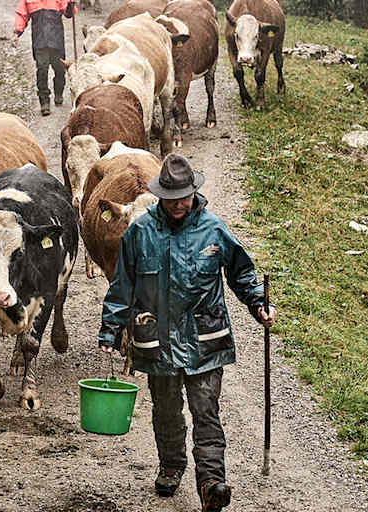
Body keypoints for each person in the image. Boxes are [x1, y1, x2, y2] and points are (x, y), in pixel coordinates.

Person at [97, 154, 275, 511]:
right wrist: (110, 329)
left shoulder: (213, 229)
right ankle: (172, 465)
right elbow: (123, 285)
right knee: (165, 410)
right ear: (161, 195)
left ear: (194, 193)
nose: (179, 205)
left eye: (184, 197)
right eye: (172, 198)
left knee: (206, 411)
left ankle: (212, 484)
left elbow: (241, 274)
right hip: (156, 340)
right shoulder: (140, 232)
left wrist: (259, 304)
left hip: (204, 341)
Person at [11, 0, 76, 116]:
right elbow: (21, 15)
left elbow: (69, 14)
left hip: (56, 40)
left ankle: (58, 93)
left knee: (60, 69)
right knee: (42, 69)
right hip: (40, 41)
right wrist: (17, 33)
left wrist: (71, 5)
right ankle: (44, 101)